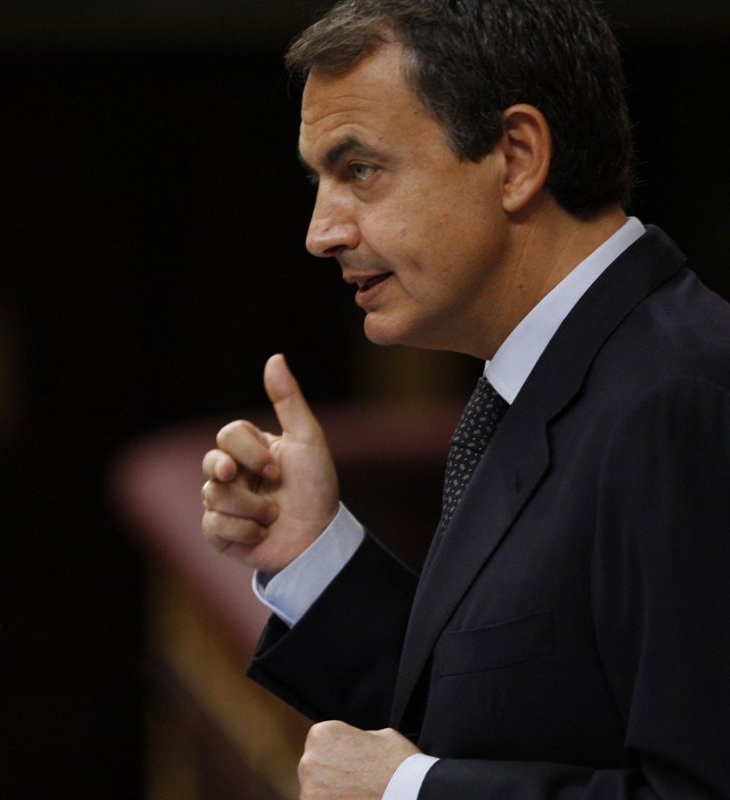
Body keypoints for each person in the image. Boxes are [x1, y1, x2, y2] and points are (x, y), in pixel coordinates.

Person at [198, 0, 730, 797]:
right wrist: (311, 552)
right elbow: (490, 718)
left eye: (360, 170)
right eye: (320, 180)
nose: (320, 232)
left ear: (516, 158)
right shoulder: (549, 381)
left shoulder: (679, 401)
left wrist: (413, 792)